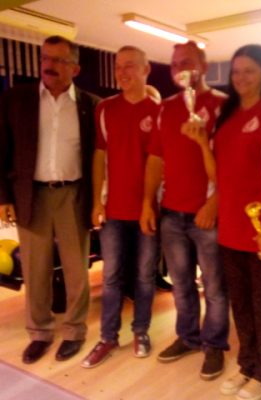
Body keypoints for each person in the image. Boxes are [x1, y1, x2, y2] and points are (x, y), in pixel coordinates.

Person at [187, 44, 261, 400]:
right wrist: (202, 143)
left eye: (249, 70)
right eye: (236, 71)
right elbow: (218, 175)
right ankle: (247, 364)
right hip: (231, 228)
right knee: (242, 305)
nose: (241, 77)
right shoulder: (229, 115)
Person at [0, 35, 98, 364]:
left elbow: (99, 158)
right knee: (35, 269)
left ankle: (74, 331)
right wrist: (3, 197)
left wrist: (99, 200)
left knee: (76, 270)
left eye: (58, 60)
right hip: (31, 195)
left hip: (74, 194)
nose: (49, 65)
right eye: (45, 58)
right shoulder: (16, 99)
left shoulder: (90, 105)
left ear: (75, 68)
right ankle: (40, 332)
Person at [140, 41, 229, 380]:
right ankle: (189, 337)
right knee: (181, 284)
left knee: (215, 287)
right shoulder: (165, 108)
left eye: (187, 62)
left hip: (208, 215)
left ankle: (214, 345)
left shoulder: (223, 105)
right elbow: (155, 159)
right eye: (176, 64)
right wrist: (148, 202)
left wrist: (214, 203)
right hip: (172, 214)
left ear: (204, 65)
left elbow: (233, 163)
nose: (180, 69)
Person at [81, 46, 159, 368]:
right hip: (113, 210)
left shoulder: (158, 111)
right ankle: (107, 337)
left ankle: (141, 331)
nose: (122, 72)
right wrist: (96, 201)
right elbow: (99, 156)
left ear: (146, 69)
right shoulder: (105, 109)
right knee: (111, 277)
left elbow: (160, 161)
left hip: (148, 212)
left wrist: (148, 204)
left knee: (144, 276)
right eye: (118, 67)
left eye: (130, 66)